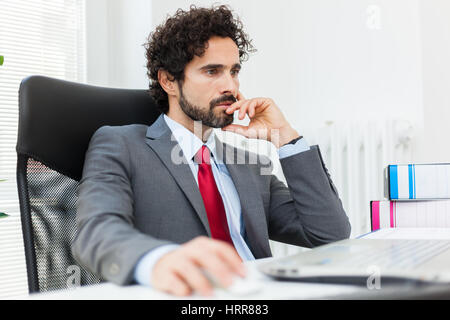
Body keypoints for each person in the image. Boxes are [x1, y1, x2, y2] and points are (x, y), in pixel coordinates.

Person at [72, 5, 351, 297]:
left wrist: (286, 138)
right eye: (212, 71)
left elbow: (329, 234)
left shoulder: (250, 164)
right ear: (169, 81)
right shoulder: (122, 146)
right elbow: (95, 232)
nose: (230, 85)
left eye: (234, 71)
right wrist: (158, 261)